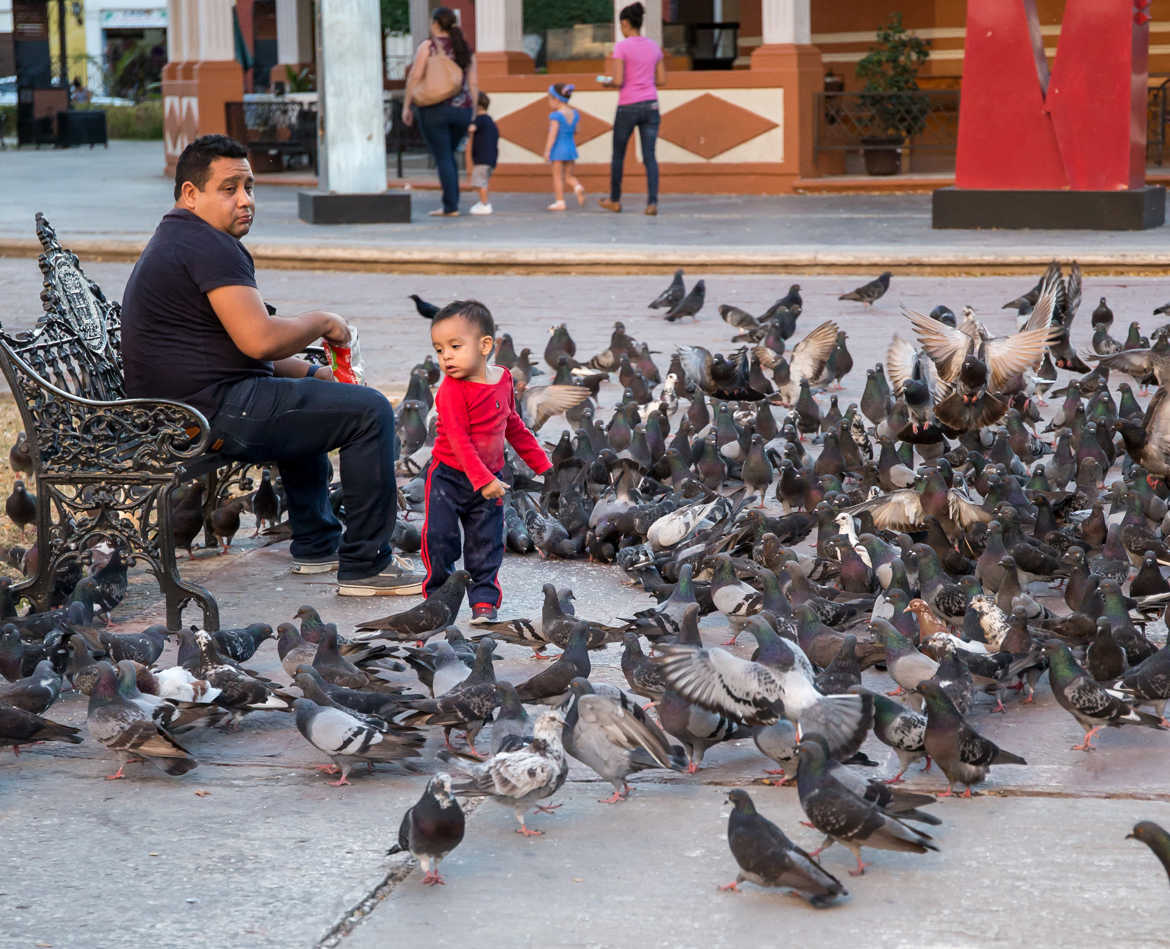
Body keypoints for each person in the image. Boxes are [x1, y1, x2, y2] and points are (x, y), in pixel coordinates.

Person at [120, 134, 424, 597]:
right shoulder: (207, 246)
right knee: (371, 412)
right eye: (229, 189)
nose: (245, 201)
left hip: (187, 410)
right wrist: (325, 322)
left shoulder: (183, 238)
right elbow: (258, 339)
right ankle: (367, 565)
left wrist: (314, 372)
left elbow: (237, 345)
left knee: (320, 402)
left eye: (250, 187)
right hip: (206, 414)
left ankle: (318, 545)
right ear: (190, 194)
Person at [424, 300, 552, 623]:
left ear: (485, 346)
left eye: (454, 346)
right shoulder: (451, 390)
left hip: (491, 477)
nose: (446, 357)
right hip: (448, 478)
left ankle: (483, 600)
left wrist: (542, 464)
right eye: (439, 350)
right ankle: (439, 599)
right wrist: (484, 481)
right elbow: (458, 440)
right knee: (440, 539)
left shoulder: (504, 379)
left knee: (487, 543)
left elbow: (513, 425)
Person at [403, 6, 477, 217]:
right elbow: (473, 82)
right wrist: (472, 112)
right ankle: (451, 203)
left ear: (435, 23)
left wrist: (407, 105)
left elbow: (415, 76)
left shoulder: (428, 46)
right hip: (462, 111)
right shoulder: (465, 48)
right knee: (449, 157)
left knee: (443, 157)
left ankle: (450, 206)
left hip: (434, 109)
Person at [599, 2, 666, 216]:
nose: (621, 29)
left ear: (626, 24)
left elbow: (618, 80)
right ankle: (652, 203)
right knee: (650, 157)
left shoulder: (622, 47)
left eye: (621, 25)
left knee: (618, 155)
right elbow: (662, 79)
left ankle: (615, 200)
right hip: (651, 105)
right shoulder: (654, 46)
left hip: (628, 105)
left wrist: (606, 82)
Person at [542, 83, 585, 212]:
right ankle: (577, 186)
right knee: (568, 176)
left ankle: (560, 201)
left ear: (557, 99)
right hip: (571, 149)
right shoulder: (575, 114)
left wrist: (547, 151)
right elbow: (577, 130)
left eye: (550, 99)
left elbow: (552, 135)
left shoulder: (556, 116)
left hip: (558, 150)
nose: (549, 102)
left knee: (557, 177)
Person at [465, 92, 498, 215]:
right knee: (481, 181)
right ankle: (483, 202)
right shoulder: (489, 120)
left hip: (482, 158)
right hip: (490, 158)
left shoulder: (479, 119)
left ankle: (485, 204)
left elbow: (471, 129)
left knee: (479, 182)